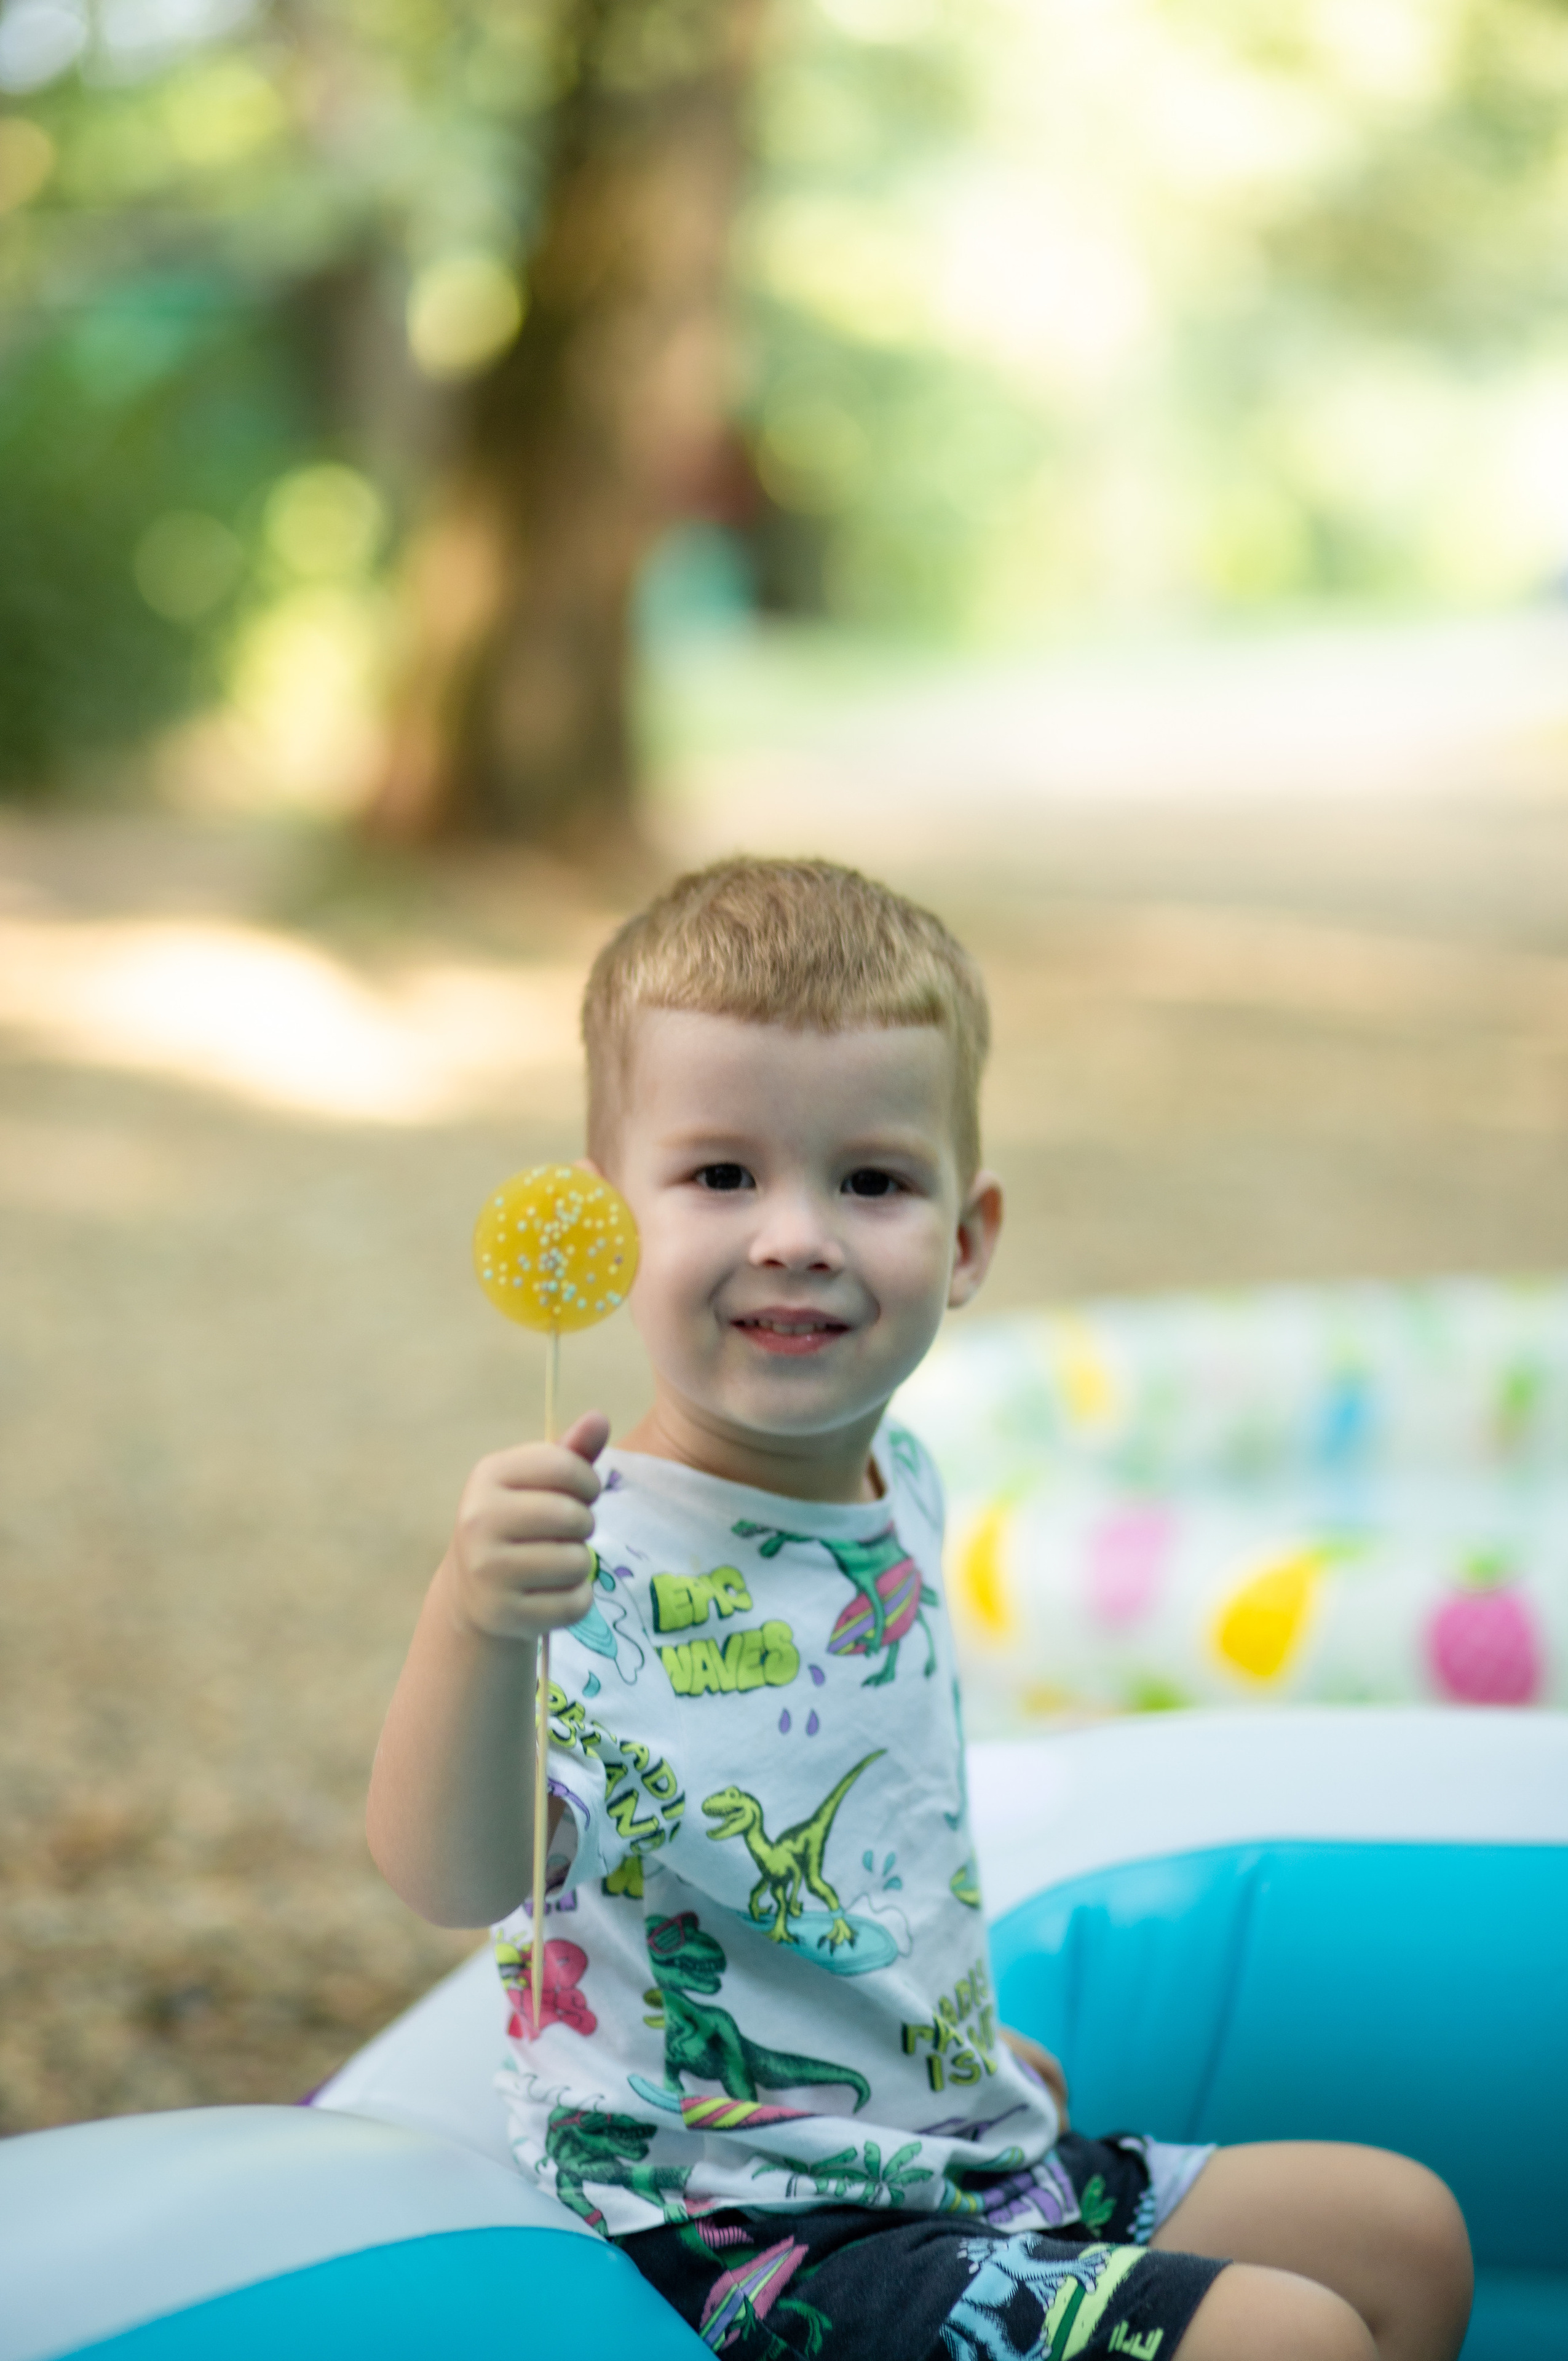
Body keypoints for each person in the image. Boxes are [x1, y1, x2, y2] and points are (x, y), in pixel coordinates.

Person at [368, 858, 1472, 2361]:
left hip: (948, 2149)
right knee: (1284, 2337)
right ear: (607, 1221)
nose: (796, 1235)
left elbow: (861, 1838)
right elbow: (448, 1874)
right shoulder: (582, 1559)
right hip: (743, 2225)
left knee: (1399, 2234)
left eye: (870, 1181)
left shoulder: (905, 1485)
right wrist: (474, 1620)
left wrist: (938, 2044)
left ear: (965, 1240)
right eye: (721, 1176)